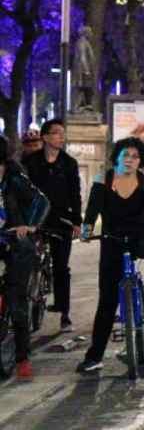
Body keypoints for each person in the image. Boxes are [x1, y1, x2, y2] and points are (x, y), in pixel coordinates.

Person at [76, 137, 144, 373]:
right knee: (107, 301)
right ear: (116, 157)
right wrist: (86, 231)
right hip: (112, 240)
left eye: (135, 156)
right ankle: (94, 356)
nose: (130, 160)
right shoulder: (103, 180)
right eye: (125, 155)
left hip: (139, 236)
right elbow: (93, 208)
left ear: (141, 161)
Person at [23, 118, 81, 332]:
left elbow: (75, 194)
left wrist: (76, 221)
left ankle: (65, 313)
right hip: (35, 220)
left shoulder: (69, 163)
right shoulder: (30, 162)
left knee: (61, 268)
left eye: (62, 133)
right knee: (27, 261)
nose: (61, 137)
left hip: (61, 221)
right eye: (56, 133)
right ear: (45, 137)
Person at [0, 134, 50, 380]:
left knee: (16, 299)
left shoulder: (14, 178)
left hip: (15, 242)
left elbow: (41, 202)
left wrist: (28, 226)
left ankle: (22, 358)